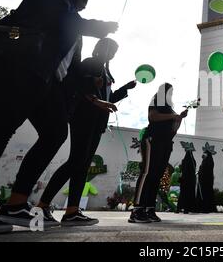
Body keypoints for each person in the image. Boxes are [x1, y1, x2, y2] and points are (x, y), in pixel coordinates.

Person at [0, 0, 118, 235]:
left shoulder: (73, 30)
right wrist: (100, 27)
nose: (80, 11)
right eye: (80, 5)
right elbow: (65, 20)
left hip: (46, 83)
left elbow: (70, 70)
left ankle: (16, 204)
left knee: (55, 133)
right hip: (21, 67)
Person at [37, 38, 136, 226]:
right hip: (84, 118)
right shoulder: (90, 63)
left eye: (116, 51)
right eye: (112, 50)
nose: (113, 54)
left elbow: (108, 97)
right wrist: (92, 84)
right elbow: (78, 85)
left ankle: (72, 211)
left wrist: (125, 88)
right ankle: (42, 206)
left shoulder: (106, 70)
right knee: (75, 161)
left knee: (82, 165)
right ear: (102, 48)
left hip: (97, 123)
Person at [129, 83, 188, 223]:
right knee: (147, 173)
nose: (171, 94)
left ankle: (149, 209)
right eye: (169, 91)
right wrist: (172, 116)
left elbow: (173, 129)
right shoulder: (156, 100)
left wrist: (179, 118)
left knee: (157, 176)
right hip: (152, 140)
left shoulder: (170, 108)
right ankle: (137, 210)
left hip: (166, 143)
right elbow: (153, 117)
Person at [177, 145, 197, 214]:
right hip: (190, 181)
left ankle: (178, 208)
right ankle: (187, 209)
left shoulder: (184, 160)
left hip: (184, 181)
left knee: (182, 195)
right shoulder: (193, 161)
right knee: (189, 195)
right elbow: (194, 171)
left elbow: (182, 170)